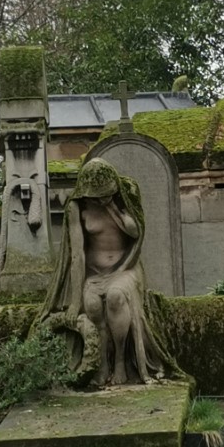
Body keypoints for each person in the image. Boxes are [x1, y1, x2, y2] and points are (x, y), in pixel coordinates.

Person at [40, 158, 169, 386]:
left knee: (116, 297)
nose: (102, 199)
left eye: (106, 193)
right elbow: (77, 254)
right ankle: (102, 363)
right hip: (94, 273)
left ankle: (120, 360)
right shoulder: (76, 207)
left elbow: (136, 232)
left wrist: (114, 209)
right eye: (98, 196)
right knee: (91, 305)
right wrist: (72, 302)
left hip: (124, 269)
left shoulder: (125, 195)